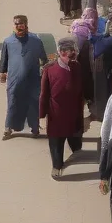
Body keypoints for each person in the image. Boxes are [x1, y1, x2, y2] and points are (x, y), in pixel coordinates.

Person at [40, 36, 85, 179]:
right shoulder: (50, 70)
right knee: (56, 143)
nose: (70, 54)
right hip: (56, 114)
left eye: (72, 51)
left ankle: (76, 156)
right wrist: (42, 116)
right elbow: (44, 94)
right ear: (60, 52)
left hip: (75, 113)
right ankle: (56, 166)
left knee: (76, 140)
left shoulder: (77, 67)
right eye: (66, 51)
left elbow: (83, 88)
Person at [0, 15, 48, 140]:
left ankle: (35, 128)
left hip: (33, 79)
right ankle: (8, 129)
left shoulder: (36, 41)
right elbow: (4, 59)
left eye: (21, 23)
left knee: (33, 103)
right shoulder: (8, 41)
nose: (18, 26)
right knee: (13, 103)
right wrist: (2, 72)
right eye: (16, 24)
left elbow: (44, 59)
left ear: (26, 24)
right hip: (14, 80)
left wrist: (45, 71)